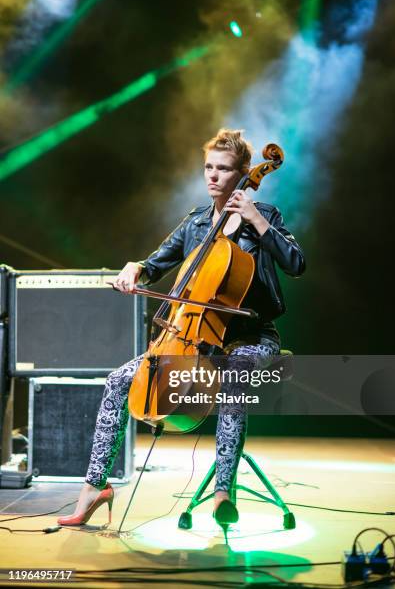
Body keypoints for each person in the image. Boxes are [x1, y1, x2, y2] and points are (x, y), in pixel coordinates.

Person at [58, 128, 305, 529]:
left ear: (243, 173)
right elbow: (153, 264)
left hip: (251, 338)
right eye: (208, 167)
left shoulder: (266, 217)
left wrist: (256, 218)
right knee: (119, 379)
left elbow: (296, 264)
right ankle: (94, 488)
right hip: (192, 337)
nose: (212, 176)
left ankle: (224, 490)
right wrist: (133, 268)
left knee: (236, 375)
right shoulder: (195, 224)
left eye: (223, 169)